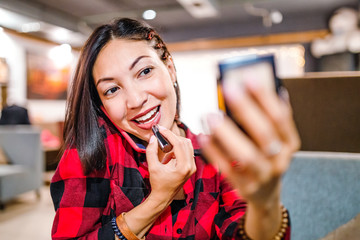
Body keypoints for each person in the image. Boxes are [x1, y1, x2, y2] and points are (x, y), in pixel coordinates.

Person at [50, 18, 300, 240]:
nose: (135, 100)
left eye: (145, 71)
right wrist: (159, 199)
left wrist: (264, 204)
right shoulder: (91, 154)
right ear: (102, 103)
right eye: (112, 89)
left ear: (170, 69)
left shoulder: (219, 154)